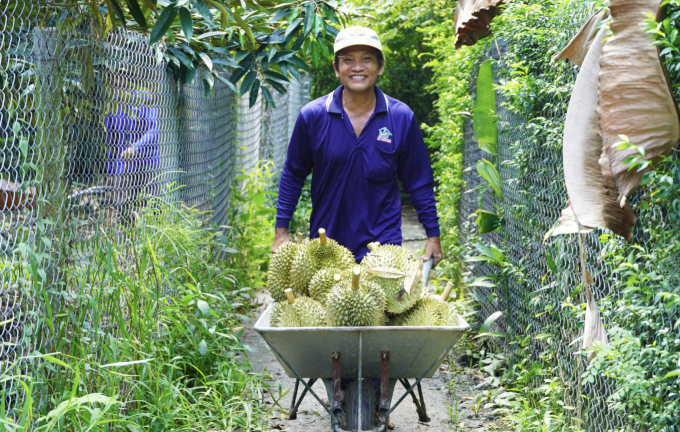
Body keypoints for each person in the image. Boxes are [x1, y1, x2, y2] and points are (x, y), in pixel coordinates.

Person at [272, 26, 443, 266]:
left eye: (367, 59)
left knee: (385, 305)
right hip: (326, 244)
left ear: (380, 66)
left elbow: (419, 180)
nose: (357, 67)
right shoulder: (313, 116)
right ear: (336, 68)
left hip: (384, 247)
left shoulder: (401, 117)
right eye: (348, 60)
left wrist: (433, 235)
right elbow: (293, 174)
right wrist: (281, 232)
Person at [104, 67, 160, 222]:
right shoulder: (111, 106)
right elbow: (112, 141)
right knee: (122, 209)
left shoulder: (143, 97)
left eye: (121, 77)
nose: (117, 82)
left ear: (129, 80)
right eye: (114, 79)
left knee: (152, 206)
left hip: (146, 161)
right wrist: (111, 172)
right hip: (122, 164)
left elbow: (153, 129)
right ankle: (125, 239)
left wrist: (135, 147)